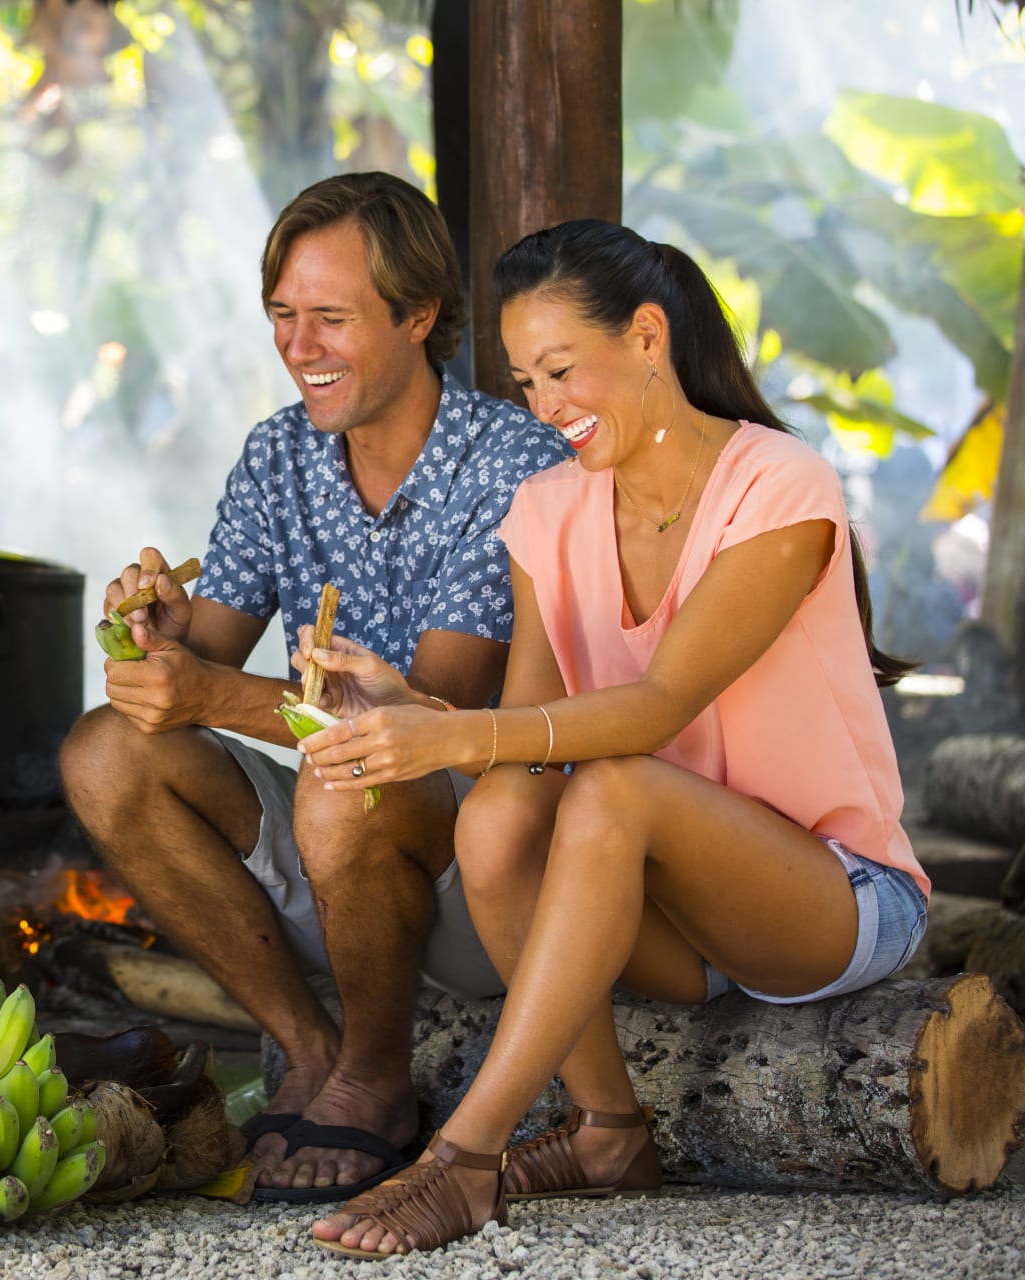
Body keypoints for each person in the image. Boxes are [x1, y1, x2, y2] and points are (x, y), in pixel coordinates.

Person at [300, 220, 929, 1258]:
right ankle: (607, 1131)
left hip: (832, 896)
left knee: (614, 784)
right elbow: (536, 741)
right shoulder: (547, 511)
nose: (547, 407)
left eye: (561, 368)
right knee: (504, 813)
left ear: (646, 336)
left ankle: (464, 1154)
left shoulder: (778, 485)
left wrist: (448, 740)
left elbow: (658, 704)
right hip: (673, 914)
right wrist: (404, 701)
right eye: (524, 381)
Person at [59, 172, 569, 1203]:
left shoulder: (510, 459)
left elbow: (426, 717)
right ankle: (309, 1044)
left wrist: (204, 692)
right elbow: (206, 647)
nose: (299, 346)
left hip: (484, 865)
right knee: (103, 747)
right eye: (283, 316)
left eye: (331, 317)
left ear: (419, 315)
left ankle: (380, 1077)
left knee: (349, 775)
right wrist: (149, 629)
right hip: (350, 833)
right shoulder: (280, 451)